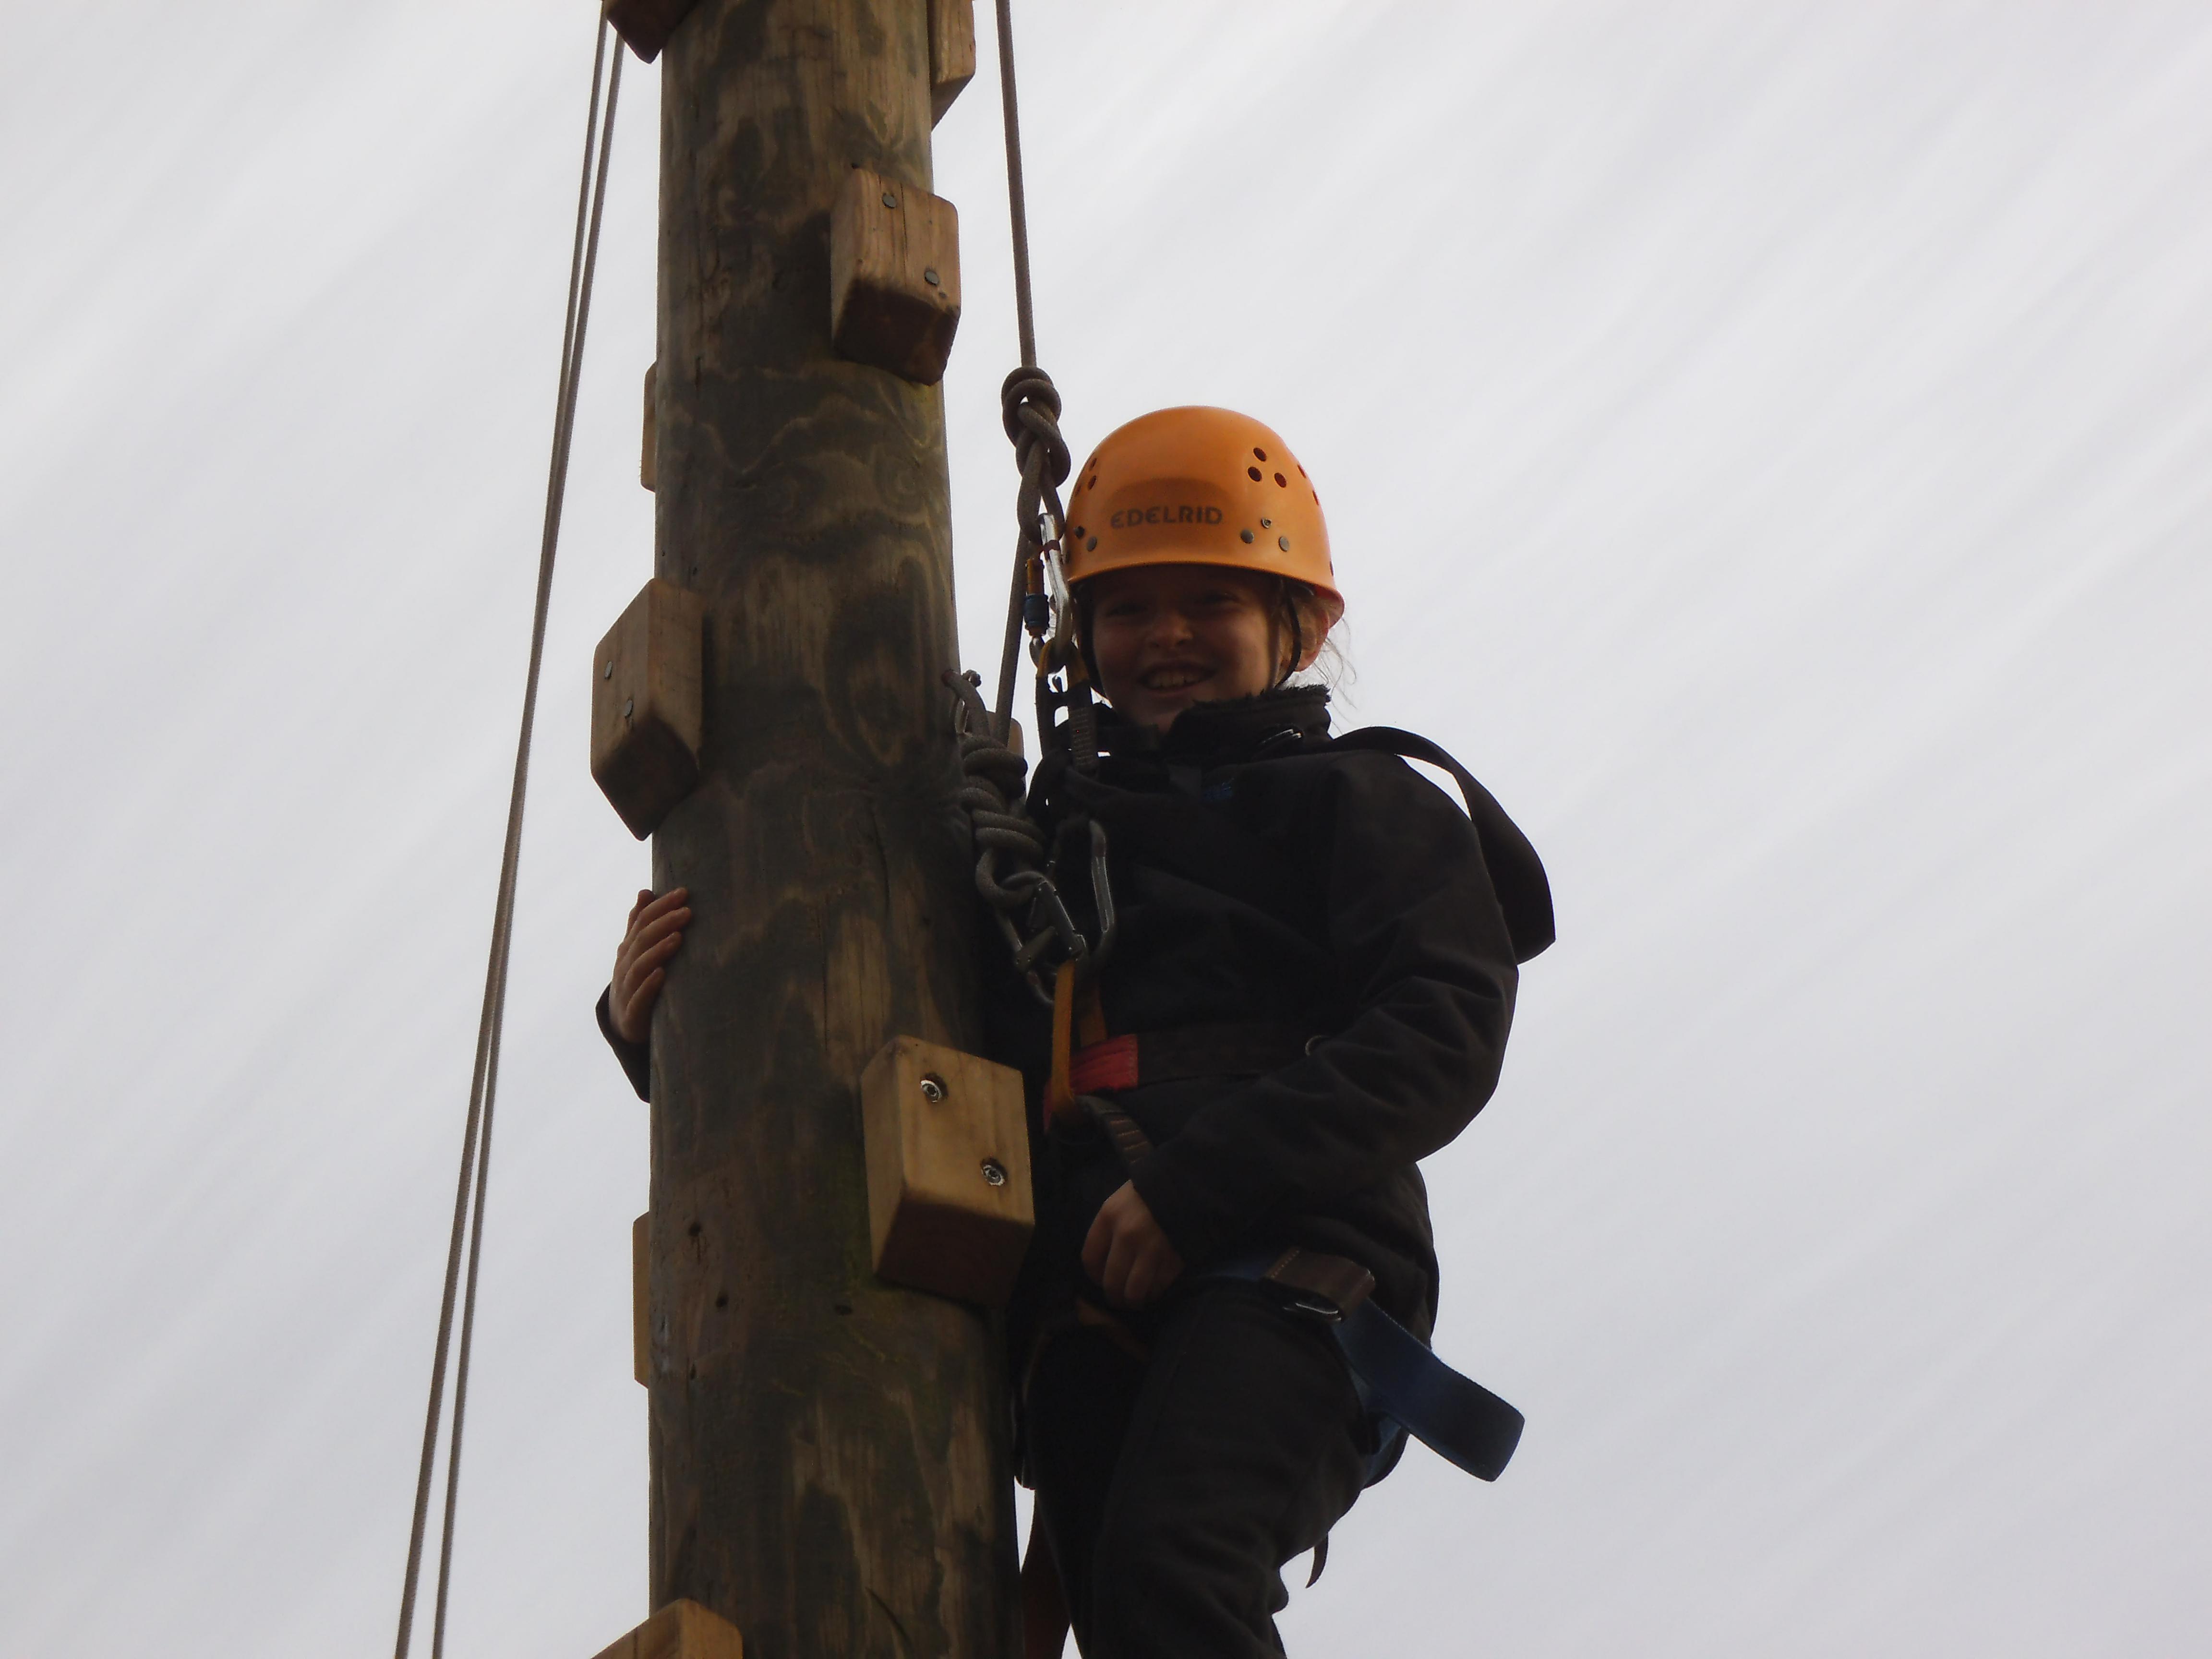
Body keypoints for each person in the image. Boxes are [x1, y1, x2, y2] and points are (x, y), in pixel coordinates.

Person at [599, 406, 1552, 1658]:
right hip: (1078, 1310)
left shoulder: (1360, 801)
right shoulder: (1045, 853)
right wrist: (664, 1028)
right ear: (1081, 638)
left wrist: (1196, 1191)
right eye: (1129, 608)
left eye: (1211, 602)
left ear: (1302, 628)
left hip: (1290, 1266)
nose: (1167, 636)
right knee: (1123, 1618)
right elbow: (874, 1041)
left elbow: (1442, 1026)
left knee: (1174, 1573)